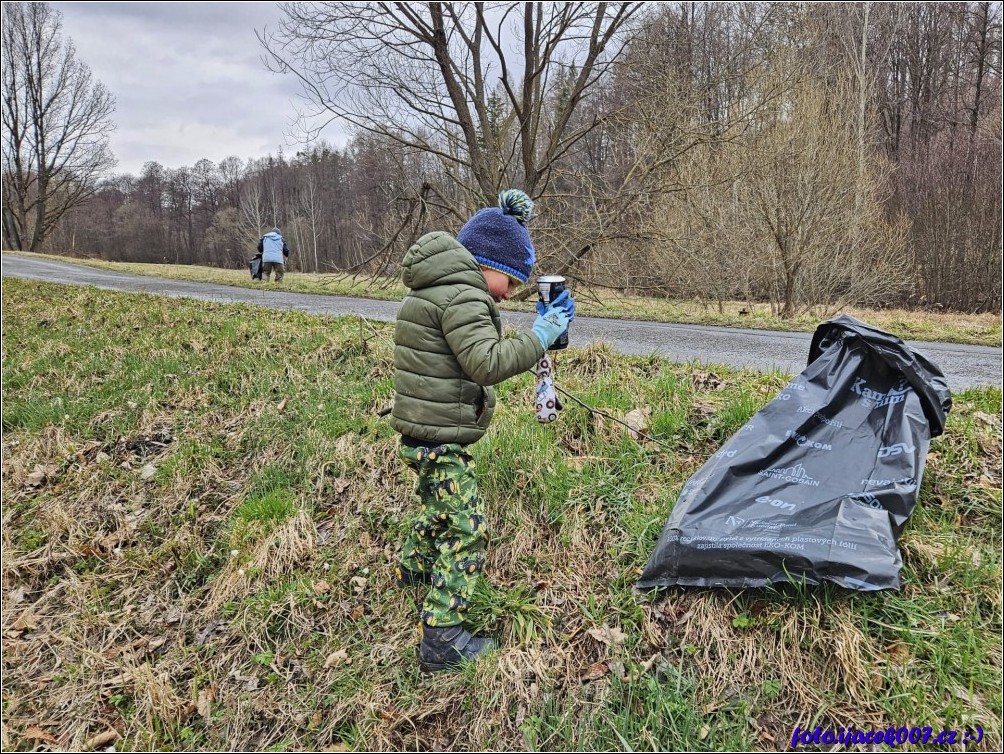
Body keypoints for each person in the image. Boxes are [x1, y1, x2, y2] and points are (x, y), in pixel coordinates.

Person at [390, 189, 576, 673]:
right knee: (468, 528)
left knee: (439, 508)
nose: (511, 292)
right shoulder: (465, 296)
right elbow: (487, 363)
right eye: (511, 280)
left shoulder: (437, 285)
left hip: (422, 431)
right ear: (487, 261)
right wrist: (541, 336)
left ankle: (412, 569)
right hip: (440, 437)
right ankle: (442, 638)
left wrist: (535, 334)